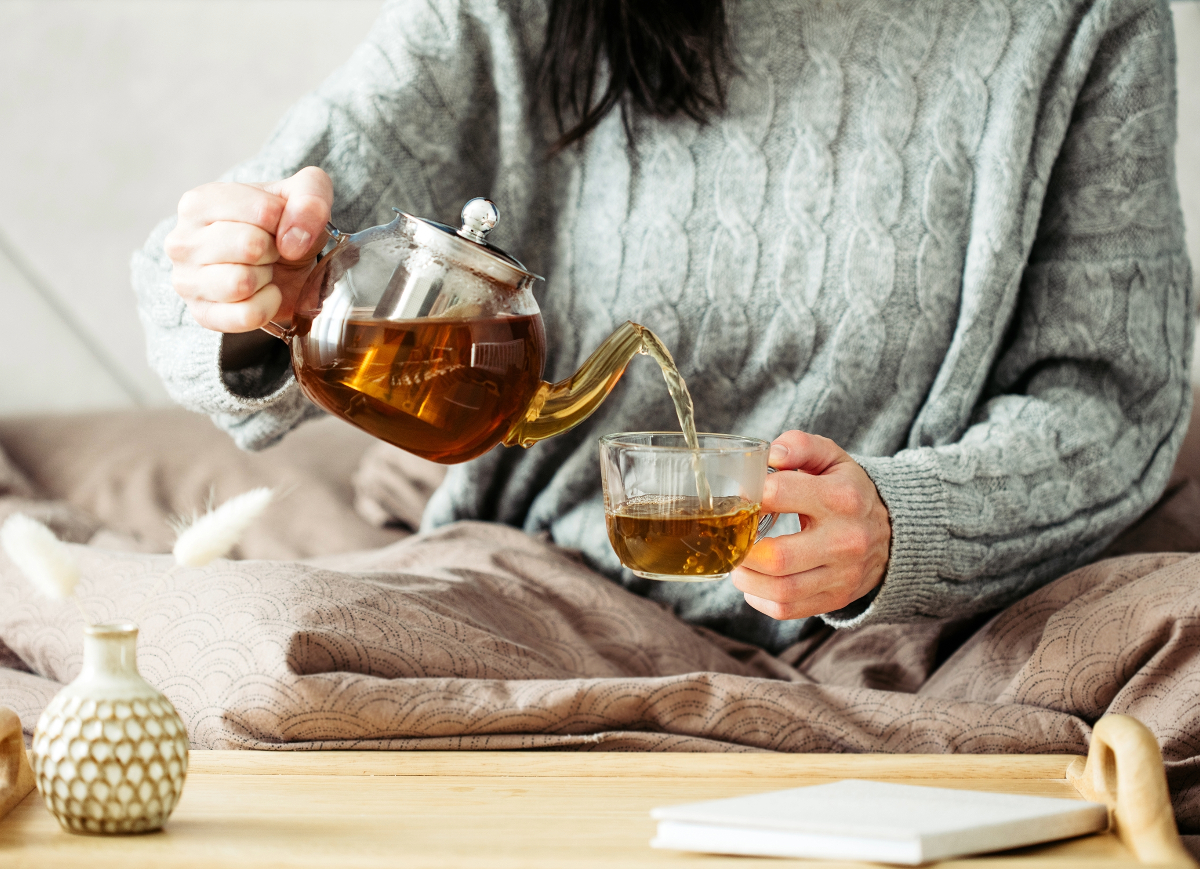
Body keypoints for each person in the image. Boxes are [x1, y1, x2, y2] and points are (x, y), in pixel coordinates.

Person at [134, 0, 1193, 652]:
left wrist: (902, 528)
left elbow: (1112, 395)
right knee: (242, 641)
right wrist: (243, 286)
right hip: (537, 595)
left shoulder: (1077, 19)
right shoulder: (508, 12)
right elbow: (228, 268)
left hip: (906, 634)